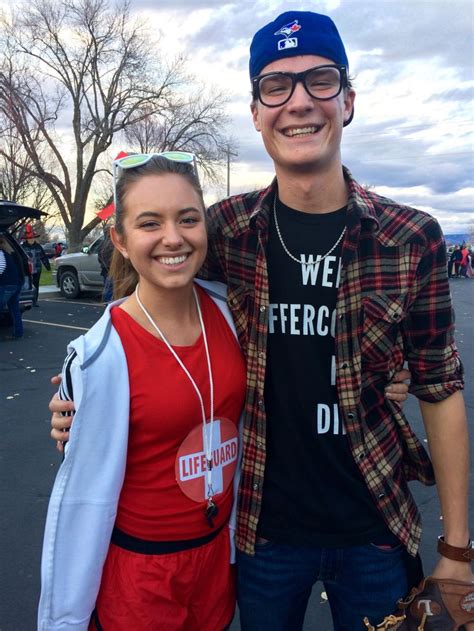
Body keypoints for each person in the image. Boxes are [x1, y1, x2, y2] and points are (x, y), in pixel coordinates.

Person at [49, 10, 473, 630]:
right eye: (276, 86)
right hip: (259, 534)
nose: (298, 101)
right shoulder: (223, 230)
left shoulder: (411, 238)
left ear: (347, 101)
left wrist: (457, 550)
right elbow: (152, 287)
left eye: (319, 80)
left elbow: (441, 388)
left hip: (377, 529)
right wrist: (86, 387)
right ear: (256, 112)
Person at [39, 154, 246, 631]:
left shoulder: (233, 310)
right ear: (121, 240)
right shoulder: (99, 353)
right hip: (143, 572)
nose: (173, 237)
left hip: (218, 555)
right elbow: (82, 473)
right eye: (150, 223)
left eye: (187, 219)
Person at [0, 234, 24, 338]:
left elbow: (1, 268)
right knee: (14, 310)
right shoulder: (8, 252)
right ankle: (18, 333)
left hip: (6, 285)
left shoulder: (0, 253)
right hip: (16, 284)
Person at [21, 224, 50, 306]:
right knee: (28, 285)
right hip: (27, 270)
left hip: (37, 269)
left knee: (36, 285)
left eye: (32, 238)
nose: (31, 240)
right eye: (30, 238)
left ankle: (35, 301)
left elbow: (43, 256)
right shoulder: (23, 247)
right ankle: (28, 300)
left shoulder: (38, 247)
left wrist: (47, 265)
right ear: (27, 239)